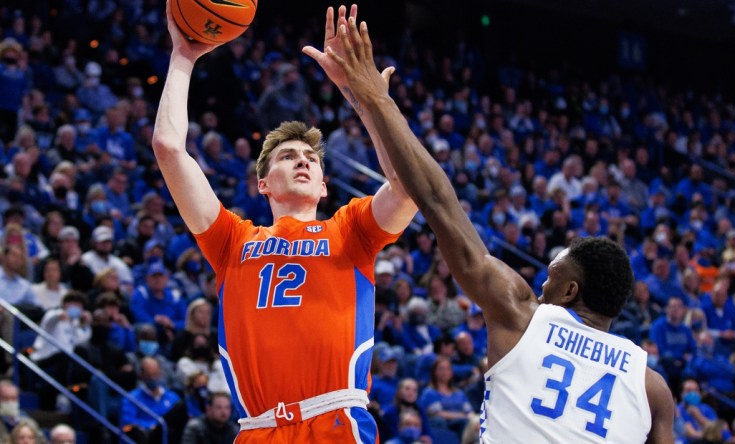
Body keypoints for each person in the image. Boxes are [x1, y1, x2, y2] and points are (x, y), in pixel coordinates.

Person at [309, 15, 674, 443]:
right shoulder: (652, 389)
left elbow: (436, 200)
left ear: (571, 291)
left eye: (551, 276)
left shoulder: (522, 316)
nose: (541, 286)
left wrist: (373, 99)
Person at [151, 3, 416, 442]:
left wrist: (369, 103)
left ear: (325, 185)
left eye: (311, 158)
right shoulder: (231, 240)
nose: (303, 162)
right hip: (257, 430)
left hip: (335, 422)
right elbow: (168, 147)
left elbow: (407, 186)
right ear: (262, 184)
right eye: (288, 156)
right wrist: (183, 55)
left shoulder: (349, 230)